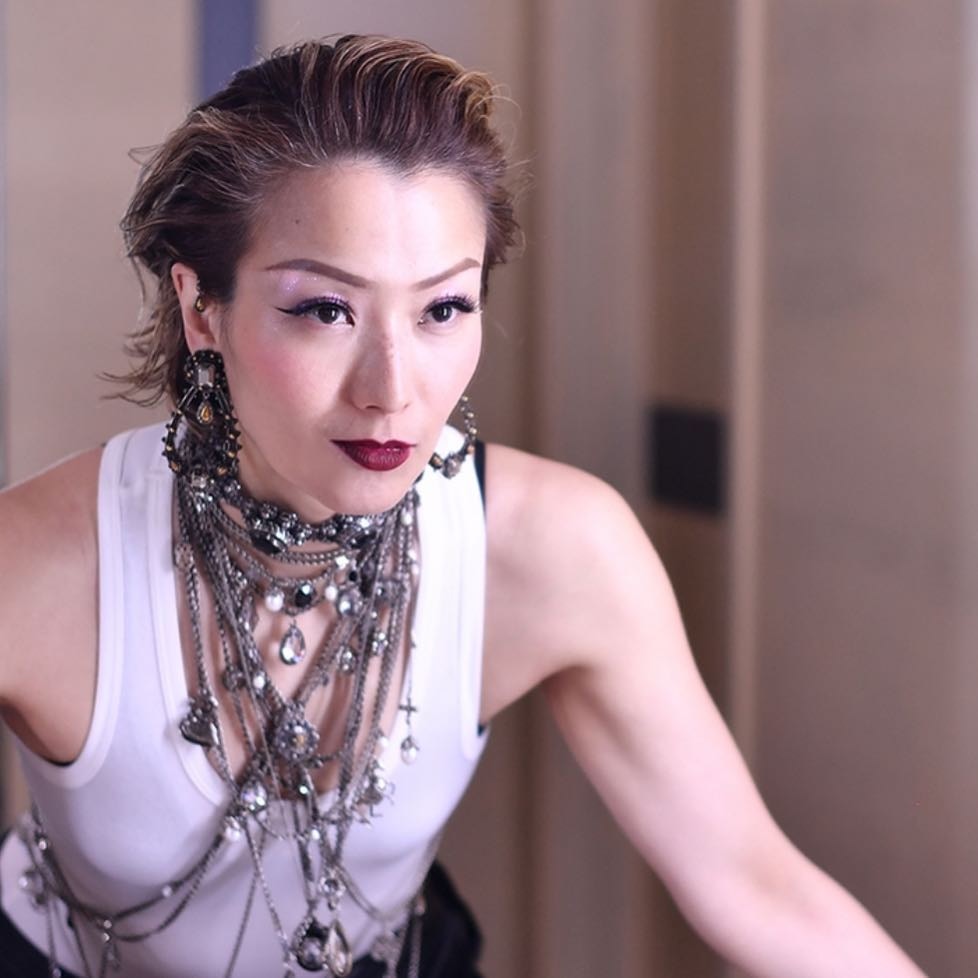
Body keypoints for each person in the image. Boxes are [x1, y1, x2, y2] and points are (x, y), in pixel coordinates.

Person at [0, 34, 925, 978]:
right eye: (324, 309)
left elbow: (756, 886)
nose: (392, 389)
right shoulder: (37, 563)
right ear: (203, 310)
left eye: (442, 309)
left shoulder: (554, 547)